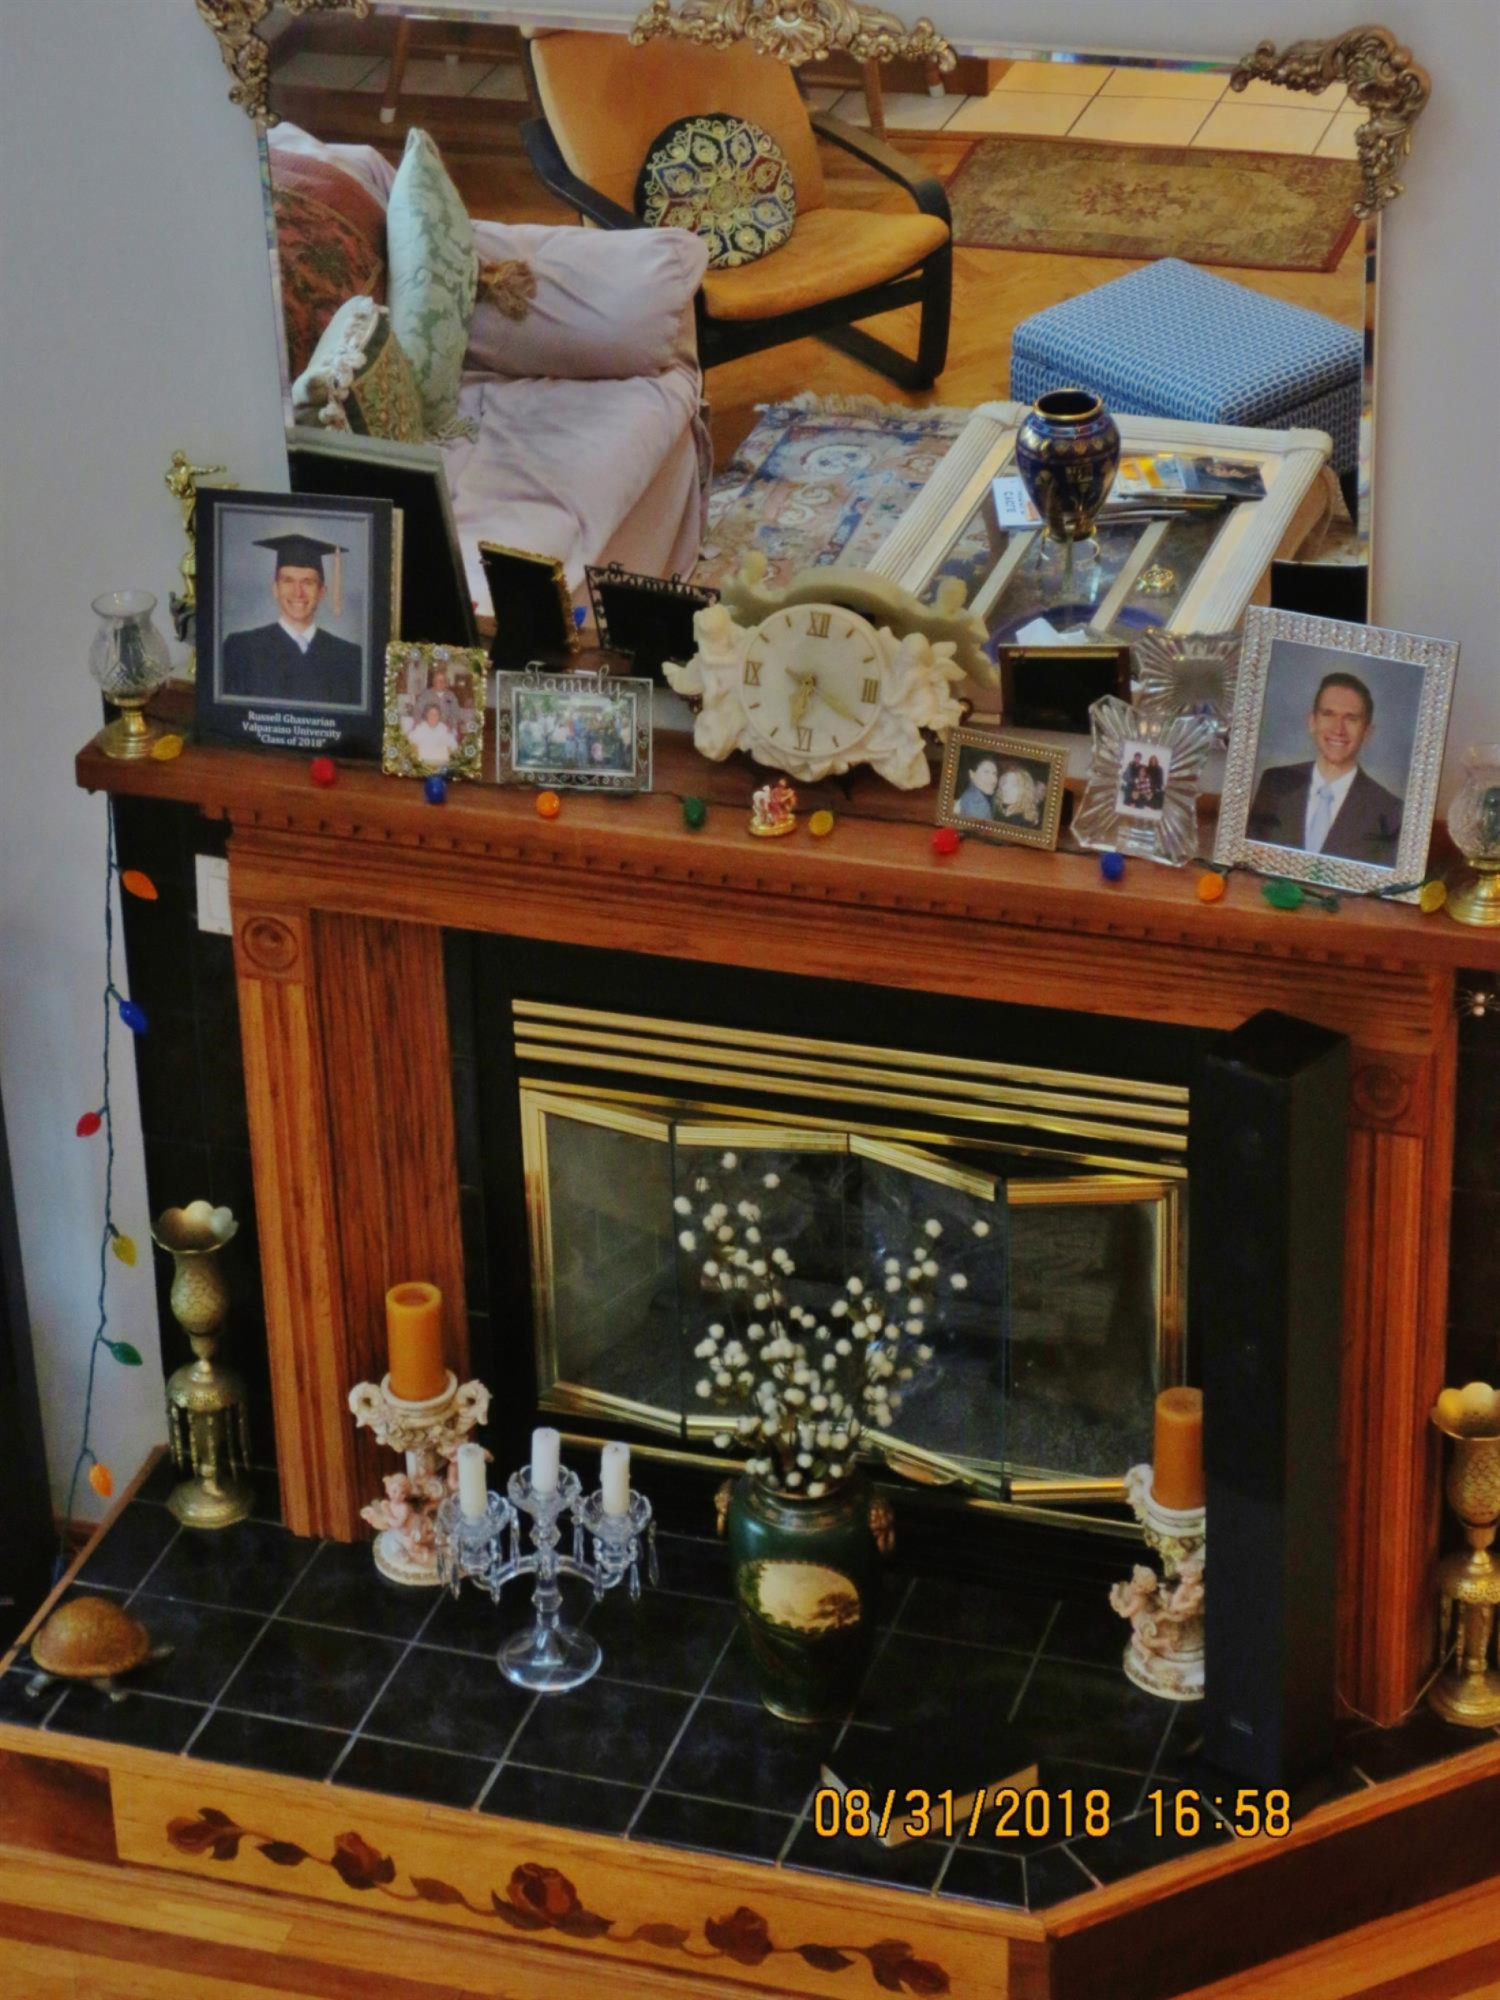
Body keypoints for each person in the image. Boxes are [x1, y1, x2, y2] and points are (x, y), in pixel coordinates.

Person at [1247, 671, 1403, 866]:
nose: (1338, 729)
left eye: (1351, 719)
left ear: (1367, 732)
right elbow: (1248, 860)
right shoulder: (1275, 784)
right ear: (1312, 722)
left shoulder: (1388, 810)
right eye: (1328, 714)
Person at [220, 532, 363, 705]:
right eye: (288, 581)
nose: (298, 592)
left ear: (321, 592)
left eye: (308, 582)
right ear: (275, 589)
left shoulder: (349, 657)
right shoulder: (240, 650)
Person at [404, 697, 458, 770]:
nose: (433, 716)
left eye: (436, 714)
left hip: (442, 764)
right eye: (431, 714)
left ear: (439, 716)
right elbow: (407, 742)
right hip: (425, 764)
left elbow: (454, 746)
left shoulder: (443, 728)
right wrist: (412, 729)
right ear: (426, 715)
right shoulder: (420, 728)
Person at [957, 755, 1000, 820]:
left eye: (994, 773)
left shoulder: (984, 795)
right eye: (986, 772)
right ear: (972, 774)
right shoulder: (976, 803)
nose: (993, 779)